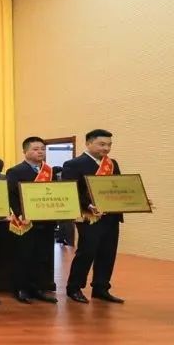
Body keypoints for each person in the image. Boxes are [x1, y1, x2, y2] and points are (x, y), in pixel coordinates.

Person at [63, 129, 125, 304]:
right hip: (89, 217)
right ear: (89, 143)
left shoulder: (112, 164)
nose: (106, 148)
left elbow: (118, 187)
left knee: (108, 253)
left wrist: (135, 200)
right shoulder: (74, 164)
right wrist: (89, 205)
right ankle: (74, 288)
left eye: (109, 145)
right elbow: (71, 191)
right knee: (87, 252)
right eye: (102, 144)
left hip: (111, 217)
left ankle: (101, 288)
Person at [5, 136, 58, 304]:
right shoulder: (15, 171)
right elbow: (11, 195)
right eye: (35, 149)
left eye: (42, 149)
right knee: (24, 256)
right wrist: (20, 214)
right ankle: (20, 289)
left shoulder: (49, 172)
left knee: (42, 257)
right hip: (25, 222)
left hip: (46, 221)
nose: (40, 152)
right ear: (25, 151)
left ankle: (38, 288)